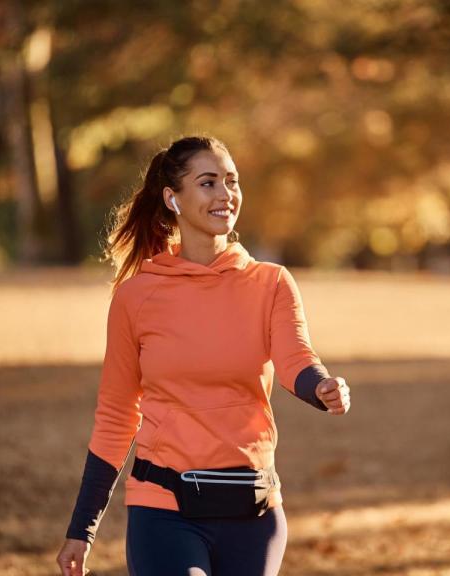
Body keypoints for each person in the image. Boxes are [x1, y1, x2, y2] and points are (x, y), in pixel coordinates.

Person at [56, 135, 351, 576]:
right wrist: (83, 527)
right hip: (164, 509)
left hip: (253, 510)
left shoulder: (270, 283)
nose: (226, 194)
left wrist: (320, 386)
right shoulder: (136, 297)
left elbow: (295, 358)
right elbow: (118, 415)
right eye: (209, 183)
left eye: (232, 182)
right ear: (172, 198)